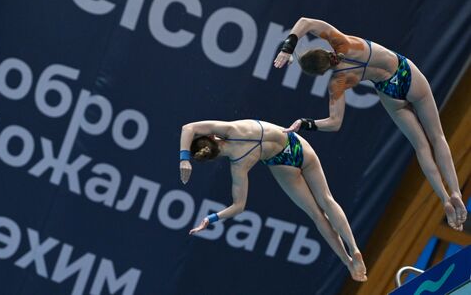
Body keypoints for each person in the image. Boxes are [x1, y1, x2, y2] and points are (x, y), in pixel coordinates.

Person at [273, 17, 467, 231]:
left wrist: (305, 123)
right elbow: (305, 22)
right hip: (404, 73)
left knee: (421, 145)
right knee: (436, 137)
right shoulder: (341, 42)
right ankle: (456, 192)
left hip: (389, 92)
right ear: (322, 51)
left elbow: (334, 123)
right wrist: (288, 48)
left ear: (321, 72)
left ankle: (443, 197)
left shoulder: (338, 81)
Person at [179, 119, 367, 282]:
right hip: (295, 145)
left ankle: (348, 262)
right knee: (327, 199)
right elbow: (189, 128)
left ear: (212, 158)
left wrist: (210, 219)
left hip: (281, 164)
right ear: (212, 137)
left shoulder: (238, 166)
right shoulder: (231, 129)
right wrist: (184, 160)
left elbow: (238, 206)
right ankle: (354, 247)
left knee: (317, 216)